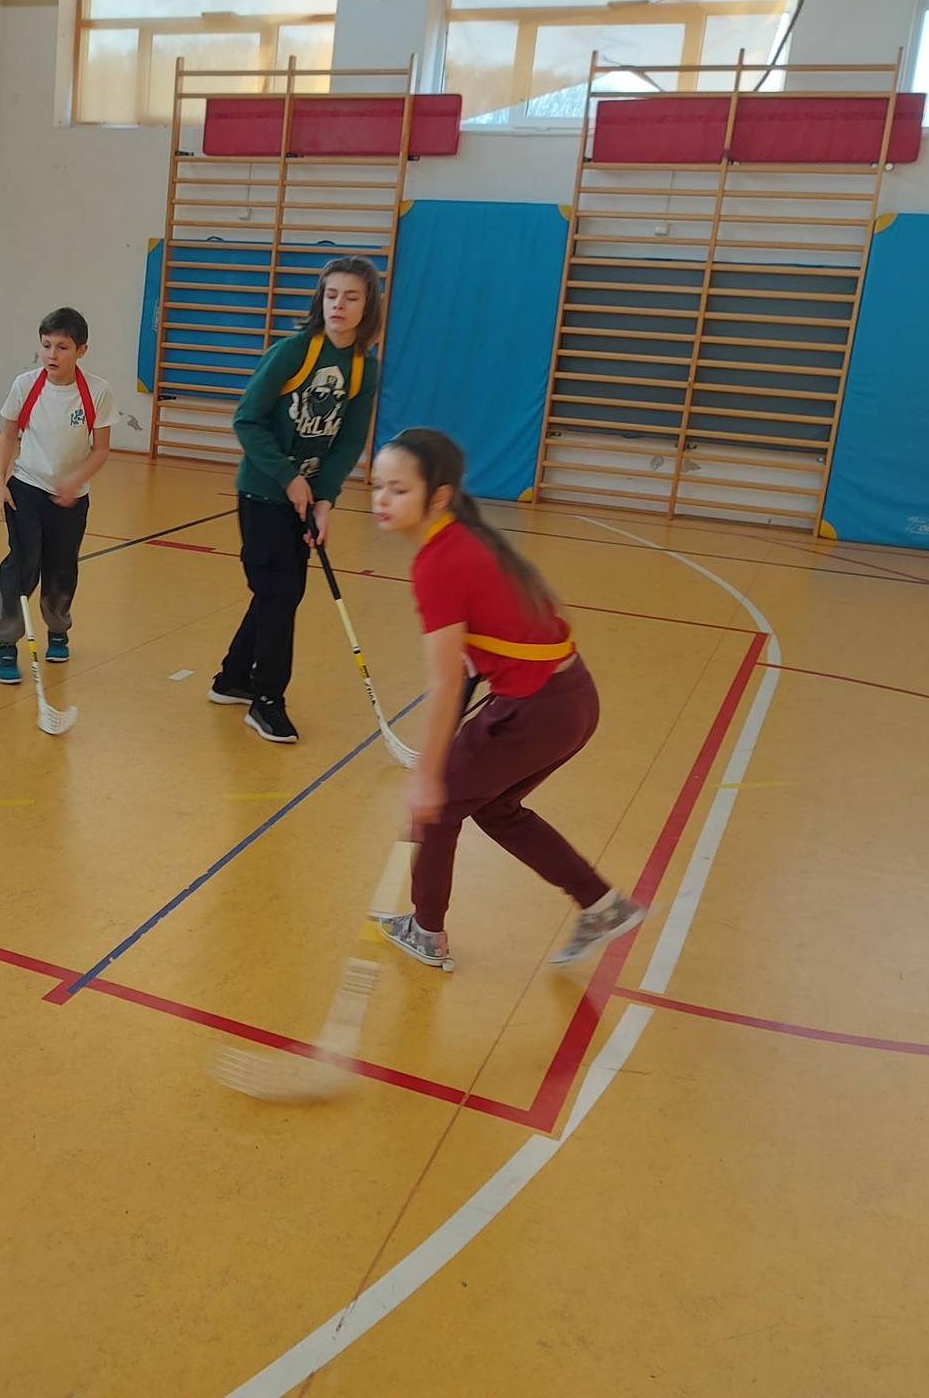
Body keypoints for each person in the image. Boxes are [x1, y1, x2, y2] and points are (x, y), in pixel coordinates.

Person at [368, 427, 647, 969]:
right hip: (572, 701)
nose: (382, 498)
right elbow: (471, 661)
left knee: (438, 809)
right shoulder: (466, 539)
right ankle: (602, 905)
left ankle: (426, 932)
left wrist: (429, 775)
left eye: (398, 489)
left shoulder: (438, 562)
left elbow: (446, 682)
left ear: (438, 496)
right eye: (379, 485)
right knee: (496, 808)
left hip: (534, 709)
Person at [210, 256, 384, 743]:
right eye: (332, 295)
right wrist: (288, 478)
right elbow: (247, 420)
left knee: (278, 591)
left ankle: (233, 679)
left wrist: (324, 499)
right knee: (280, 593)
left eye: (351, 297)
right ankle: (267, 700)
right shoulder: (293, 352)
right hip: (264, 492)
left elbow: (349, 441)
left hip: (304, 498)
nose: (339, 305)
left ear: (367, 306)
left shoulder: (364, 368)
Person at [0, 307, 113, 684]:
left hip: (71, 499)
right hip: (26, 489)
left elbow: (101, 450)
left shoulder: (97, 392)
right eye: (46, 345)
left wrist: (75, 481)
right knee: (21, 565)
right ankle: (7, 643)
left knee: (62, 567)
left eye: (62, 347)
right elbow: (8, 434)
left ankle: (58, 629)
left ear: (81, 350)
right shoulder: (25, 385)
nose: (51, 354)